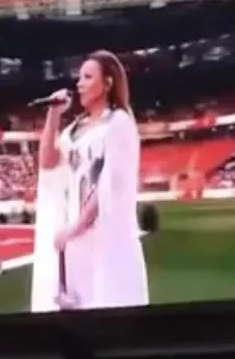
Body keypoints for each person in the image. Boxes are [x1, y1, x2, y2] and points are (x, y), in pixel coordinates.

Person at [31, 50, 148, 314]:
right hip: (77, 242)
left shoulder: (118, 123)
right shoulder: (75, 129)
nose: (79, 83)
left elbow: (108, 184)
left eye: (87, 77)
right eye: (79, 77)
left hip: (105, 239)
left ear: (107, 83)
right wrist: (54, 114)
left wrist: (74, 228)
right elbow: (47, 162)